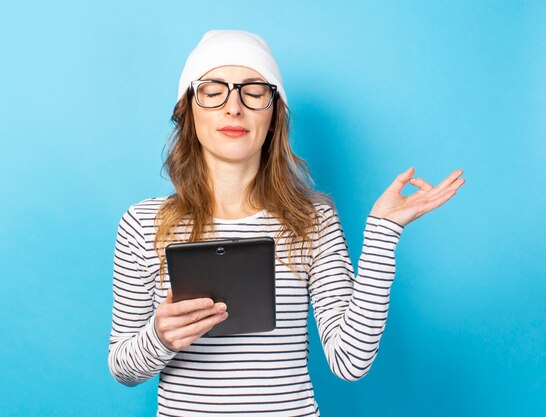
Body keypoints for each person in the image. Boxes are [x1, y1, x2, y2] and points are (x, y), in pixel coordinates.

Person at [108, 30, 465, 416]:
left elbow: (350, 361)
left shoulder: (313, 219)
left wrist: (383, 232)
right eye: (213, 91)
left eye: (254, 91)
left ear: (274, 113)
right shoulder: (143, 223)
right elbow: (123, 369)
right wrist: (159, 337)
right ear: (189, 112)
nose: (234, 108)